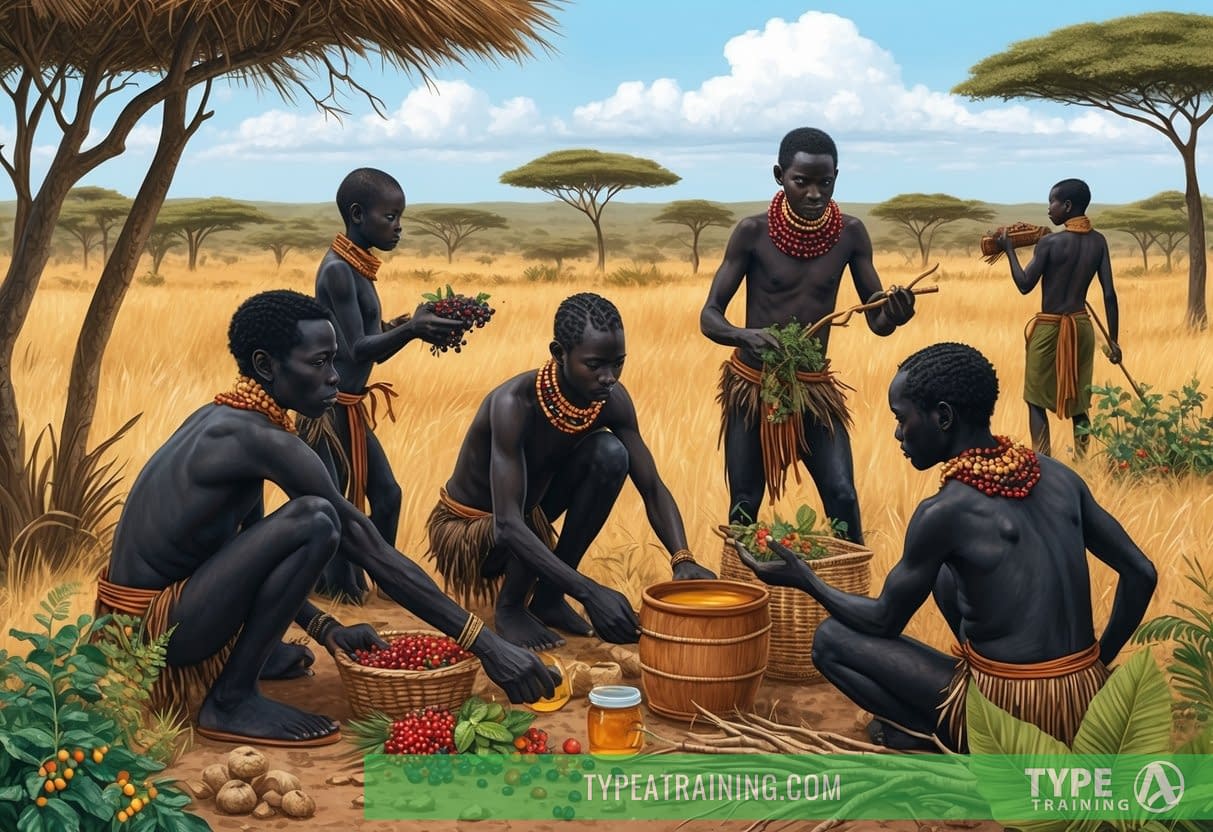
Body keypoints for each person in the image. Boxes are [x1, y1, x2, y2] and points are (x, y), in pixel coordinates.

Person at [97, 290, 557, 747]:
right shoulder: (262, 440)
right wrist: (488, 645)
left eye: (334, 360)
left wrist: (325, 628)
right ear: (265, 366)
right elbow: (369, 549)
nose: (335, 378)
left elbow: (250, 550)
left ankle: (252, 661)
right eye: (318, 363)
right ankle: (231, 700)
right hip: (157, 631)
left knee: (306, 521)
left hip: (148, 619)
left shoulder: (231, 419)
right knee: (318, 519)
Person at [735, 342, 1157, 752]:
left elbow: (883, 621)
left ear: (942, 417)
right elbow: (1142, 572)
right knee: (942, 573)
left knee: (829, 641)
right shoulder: (1060, 476)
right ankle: (977, 713)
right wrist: (1097, 664)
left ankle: (945, 738)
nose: (898, 432)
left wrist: (806, 579)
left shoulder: (944, 512)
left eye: (902, 418)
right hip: (1084, 704)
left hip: (1007, 717)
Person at [427, 292, 716, 650]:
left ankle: (547, 599)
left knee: (611, 454)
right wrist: (588, 591)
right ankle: (511, 608)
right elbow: (507, 525)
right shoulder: (513, 404)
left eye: (618, 363)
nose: (609, 377)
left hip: (528, 516)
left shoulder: (611, 402)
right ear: (558, 353)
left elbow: (652, 486)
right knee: (521, 517)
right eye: (595, 365)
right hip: (477, 532)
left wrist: (682, 559)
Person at [701, 126, 917, 546]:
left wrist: (896, 313)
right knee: (745, 502)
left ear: (837, 176)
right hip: (753, 387)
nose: (815, 193)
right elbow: (709, 317)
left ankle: (855, 598)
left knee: (842, 494)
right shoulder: (752, 232)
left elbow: (877, 321)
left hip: (814, 388)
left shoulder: (851, 233)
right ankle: (744, 600)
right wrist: (745, 336)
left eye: (826, 182)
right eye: (803, 181)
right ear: (779, 175)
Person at [301, 167, 466, 602]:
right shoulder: (339, 270)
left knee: (386, 496)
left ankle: (375, 574)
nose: (398, 228)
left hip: (348, 405)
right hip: (329, 408)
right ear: (357, 215)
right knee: (337, 504)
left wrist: (407, 325)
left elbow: (369, 341)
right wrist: (411, 329)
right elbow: (357, 349)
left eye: (399, 218)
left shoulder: (356, 267)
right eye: (390, 217)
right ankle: (343, 586)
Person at [997, 178, 1121, 458]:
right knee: (1079, 403)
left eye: (1051, 202)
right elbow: (1110, 295)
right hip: (1081, 328)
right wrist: (1114, 341)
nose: (1048, 209)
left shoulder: (1050, 243)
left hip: (1049, 328)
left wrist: (1009, 250)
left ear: (1066, 205)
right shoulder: (1099, 242)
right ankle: (1082, 463)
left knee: (1035, 399)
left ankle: (1043, 463)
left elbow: (1025, 284)